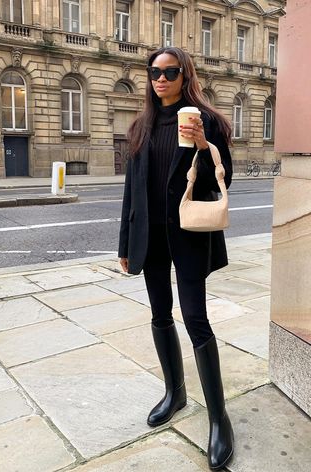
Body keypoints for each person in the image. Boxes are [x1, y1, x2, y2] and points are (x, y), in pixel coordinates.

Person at [118, 46, 234, 471]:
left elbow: (224, 179)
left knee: (196, 319)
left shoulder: (208, 122)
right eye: (154, 72)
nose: (160, 78)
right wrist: (125, 245)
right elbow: (131, 192)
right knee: (160, 315)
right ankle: (175, 392)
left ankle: (219, 418)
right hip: (150, 238)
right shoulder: (141, 126)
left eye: (169, 71)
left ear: (185, 75)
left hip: (187, 236)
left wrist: (204, 147)